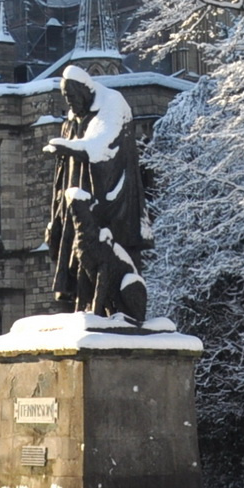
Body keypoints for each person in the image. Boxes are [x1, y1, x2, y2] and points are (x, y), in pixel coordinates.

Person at [43, 66, 149, 325]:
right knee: (73, 252)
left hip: (112, 202)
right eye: (66, 100)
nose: (70, 104)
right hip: (76, 198)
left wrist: (63, 145)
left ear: (84, 89)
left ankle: (107, 311)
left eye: (72, 98)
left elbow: (101, 148)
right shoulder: (74, 116)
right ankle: (81, 307)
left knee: (105, 256)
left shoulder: (113, 104)